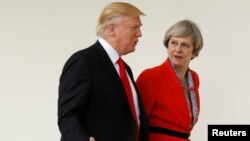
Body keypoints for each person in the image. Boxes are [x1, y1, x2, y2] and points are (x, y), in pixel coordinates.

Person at [57, 2, 149, 141]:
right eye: (134, 28)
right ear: (112, 29)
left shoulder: (125, 69)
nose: (139, 34)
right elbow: (68, 115)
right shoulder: (83, 62)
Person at [136, 19, 203, 141]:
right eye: (174, 43)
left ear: (194, 52)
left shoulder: (194, 78)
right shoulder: (150, 77)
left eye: (185, 45)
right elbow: (136, 124)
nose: (178, 49)